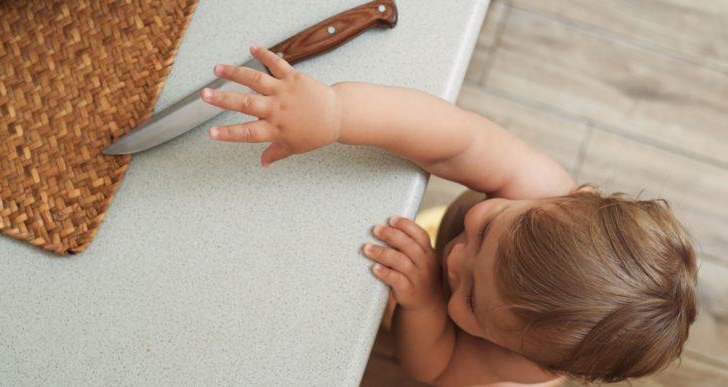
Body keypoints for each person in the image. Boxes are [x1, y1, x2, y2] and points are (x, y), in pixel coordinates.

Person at [201, 46, 698, 386]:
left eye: (473, 297)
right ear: (574, 198)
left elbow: (434, 368)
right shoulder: (541, 188)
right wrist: (335, 114)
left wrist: (427, 303)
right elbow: (456, 139)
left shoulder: (522, 360)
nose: (456, 257)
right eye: (485, 229)